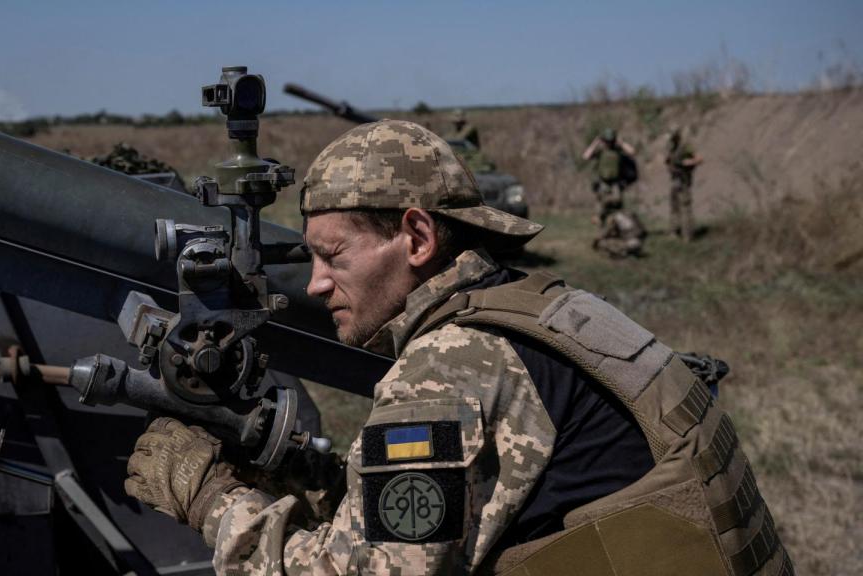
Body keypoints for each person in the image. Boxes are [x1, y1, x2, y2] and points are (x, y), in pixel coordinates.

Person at [124, 120, 793, 575]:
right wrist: (324, 487)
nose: (317, 282)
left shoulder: (449, 368)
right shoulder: (555, 307)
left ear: (416, 238)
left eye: (333, 256)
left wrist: (209, 497)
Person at [666, 125, 704, 242]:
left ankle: (687, 235)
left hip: (683, 180)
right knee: (674, 207)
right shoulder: (671, 146)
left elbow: (700, 158)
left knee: (685, 208)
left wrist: (689, 162)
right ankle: (674, 232)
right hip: (674, 180)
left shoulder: (686, 146)